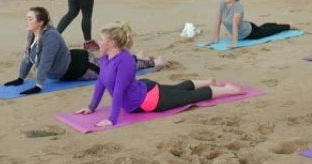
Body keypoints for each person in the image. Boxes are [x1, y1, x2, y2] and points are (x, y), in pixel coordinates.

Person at [75, 23, 245, 127]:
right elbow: (101, 84)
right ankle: (208, 81)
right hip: (142, 91)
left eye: (100, 39)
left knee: (190, 97)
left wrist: (112, 120)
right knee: (177, 89)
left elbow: (118, 91)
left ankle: (227, 89)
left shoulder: (124, 60)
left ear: (111, 43)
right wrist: (91, 107)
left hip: (147, 101)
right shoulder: (106, 57)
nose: (98, 42)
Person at [4, 8, 166, 95]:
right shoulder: (32, 34)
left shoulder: (51, 37)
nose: (27, 21)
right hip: (70, 64)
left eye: (30, 18)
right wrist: (20, 77)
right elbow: (28, 57)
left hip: (81, 67)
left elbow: (45, 61)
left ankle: (153, 62)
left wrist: (38, 85)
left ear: (40, 22)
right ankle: (136, 57)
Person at [211, 0, 296, 49]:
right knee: (262, 28)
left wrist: (234, 43)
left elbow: (235, 24)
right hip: (242, 32)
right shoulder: (222, 4)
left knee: (269, 31)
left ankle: (289, 26)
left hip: (250, 32)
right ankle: (275, 23)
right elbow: (218, 21)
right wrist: (216, 39)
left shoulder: (238, 6)